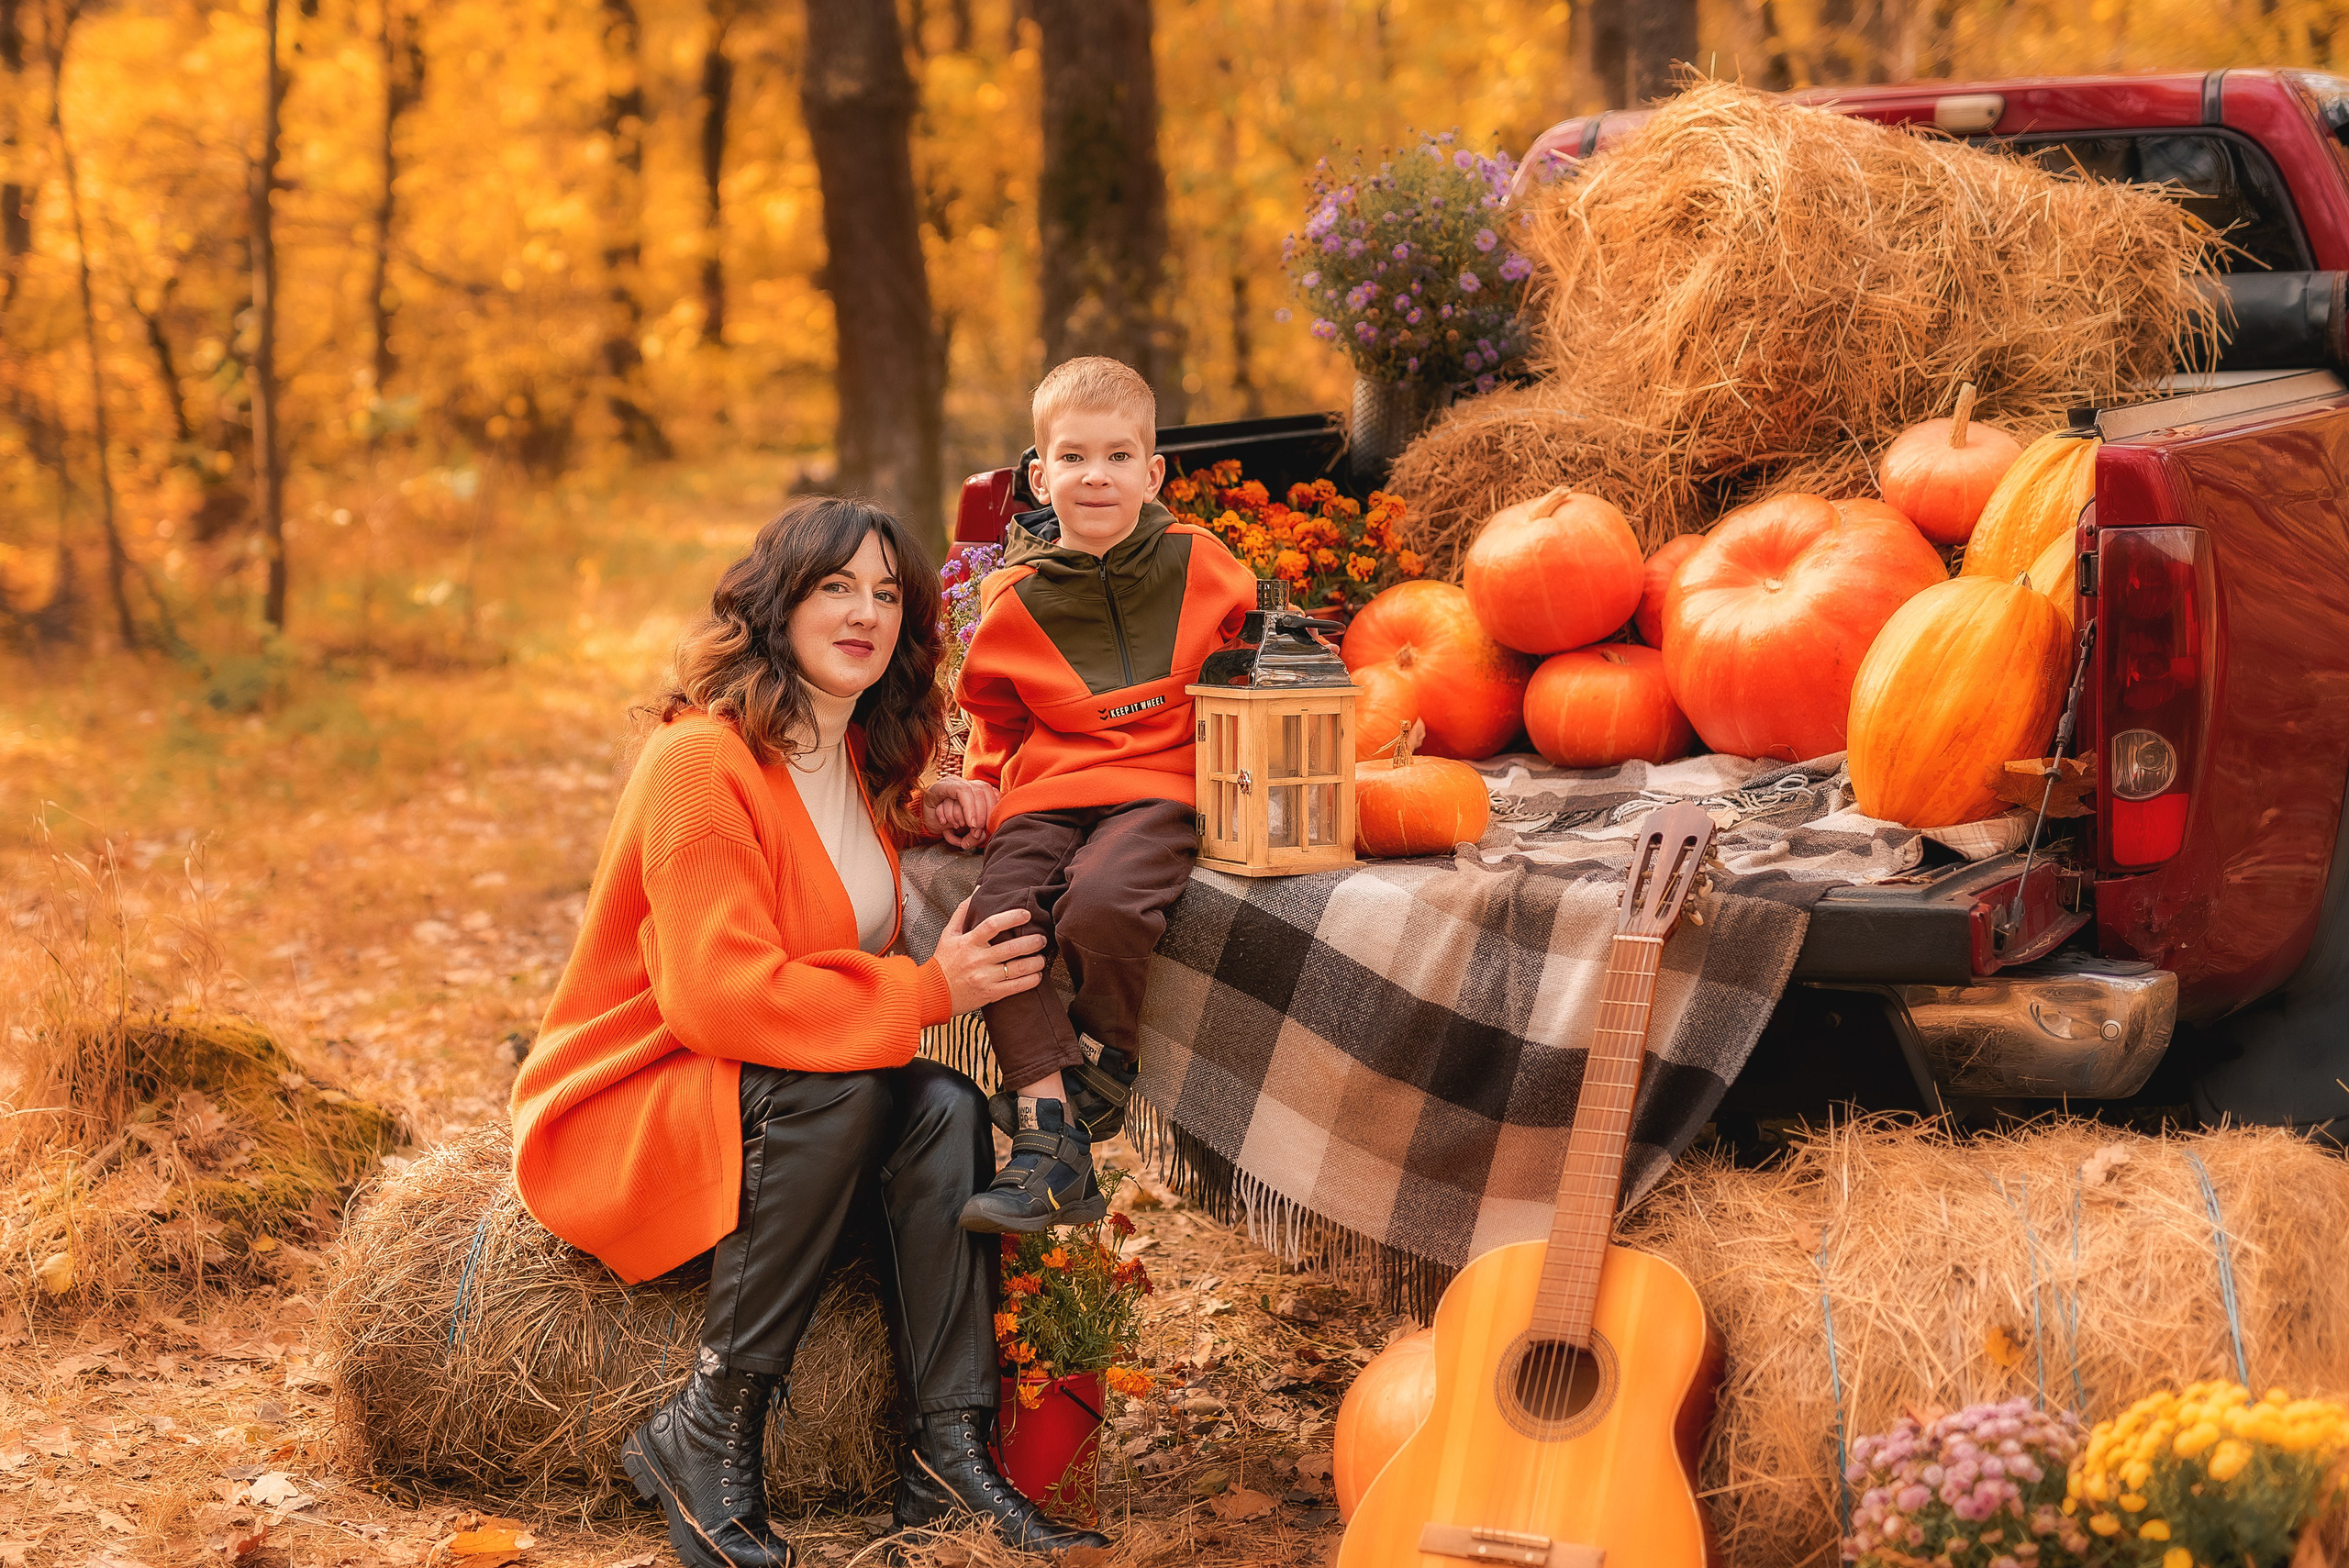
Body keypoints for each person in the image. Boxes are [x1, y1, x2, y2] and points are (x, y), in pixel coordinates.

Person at [508, 497, 1108, 1568]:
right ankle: (710, 1421)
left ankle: (945, 1456)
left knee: (944, 1107)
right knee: (851, 1080)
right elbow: (722, 997)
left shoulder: (850, 754)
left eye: (888, 595)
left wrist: (925, 803)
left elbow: (815, 865)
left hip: (749, 1095)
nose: (864, 613)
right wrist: (931, 990)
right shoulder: (701, 759)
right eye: (837, 586)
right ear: (776, 602)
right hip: (640, 1093)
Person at [926, 357, 1257, 1233]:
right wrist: (983, 787)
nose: (1096, 476)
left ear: (1153, 473)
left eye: (1118, 457)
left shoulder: (1203, 565)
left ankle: (1107, 1061)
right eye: (1074, 458)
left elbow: (1258, 658)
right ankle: (1049, 1139)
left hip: (1161, 783)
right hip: (1048, 793)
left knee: (1103, 904)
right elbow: (992, 717)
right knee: (998, 924)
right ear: (1041, 476)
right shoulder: (1013, 601)